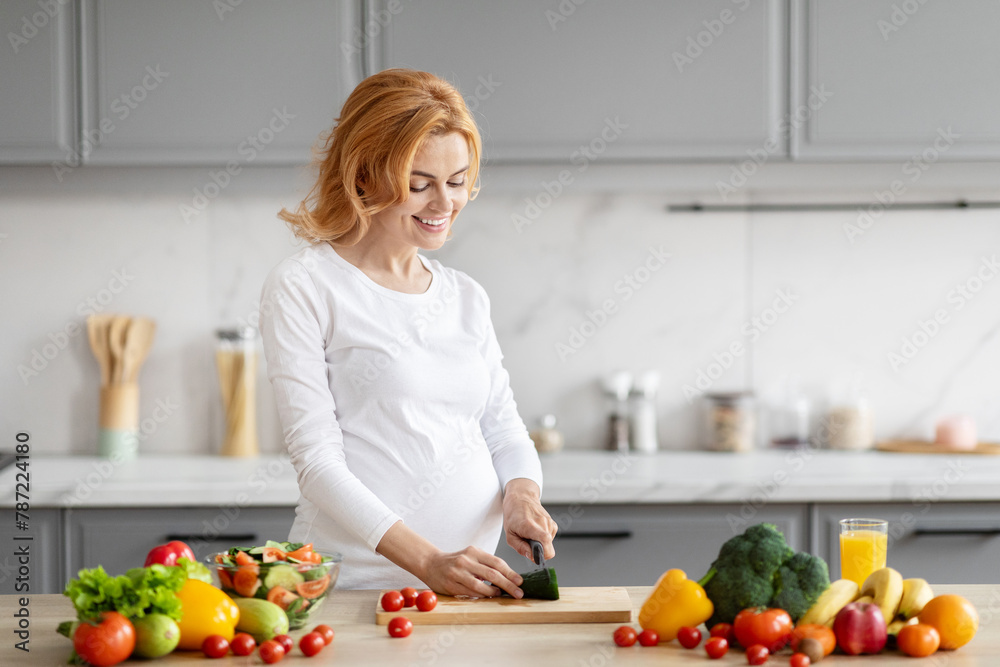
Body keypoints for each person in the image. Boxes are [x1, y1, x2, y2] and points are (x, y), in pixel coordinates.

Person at [259, 69, 557, 598]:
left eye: (458, 181)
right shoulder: (307, 285)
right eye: (419, 185)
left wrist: (522, 495)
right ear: (364, 177)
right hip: (354, 588)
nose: (444, 204)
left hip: (470, 587)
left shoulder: (465, 296)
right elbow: (318, 465)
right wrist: (428, 561)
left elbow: (503, 429)